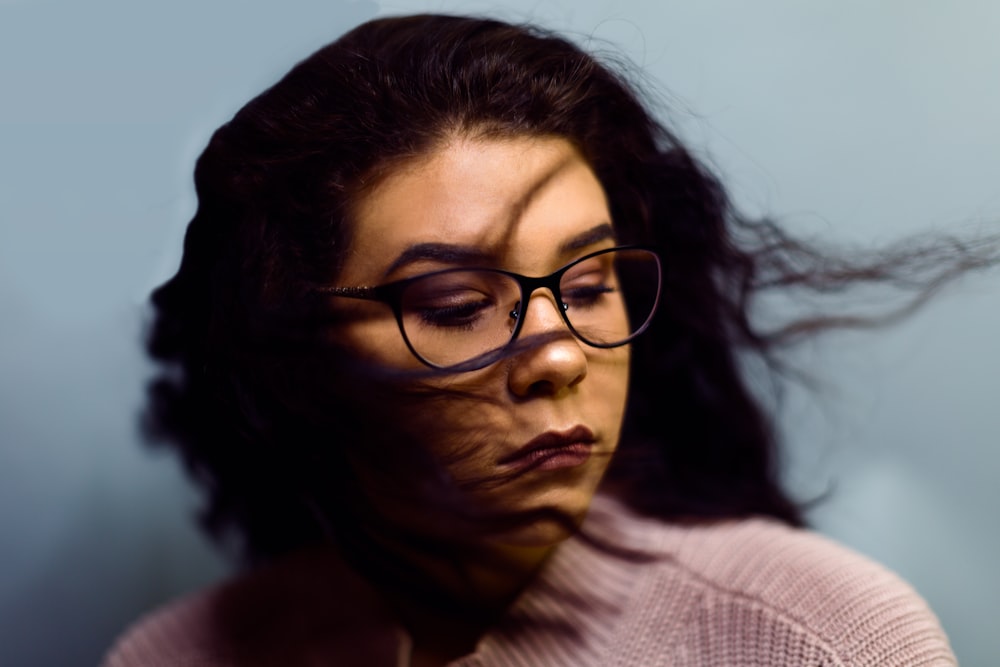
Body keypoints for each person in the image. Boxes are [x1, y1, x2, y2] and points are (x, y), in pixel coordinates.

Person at [103, 13, 975, 666]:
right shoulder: (175, 654)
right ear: (295, 352)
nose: (559, 357)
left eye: (591, 286)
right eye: (453, 304)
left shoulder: (820, 638)